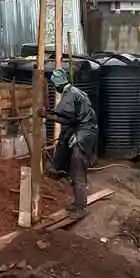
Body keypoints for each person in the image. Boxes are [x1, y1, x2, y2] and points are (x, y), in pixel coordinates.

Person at [39, 68, 98, 219]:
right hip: (85, 132)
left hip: (83, 137)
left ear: (58, 84)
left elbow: (67, 119)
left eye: (54, 85)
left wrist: (48, 115)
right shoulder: (74, 92)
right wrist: (50, 114)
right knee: (73, 168)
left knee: (78, 171)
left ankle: (81, 208)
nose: (55, 88)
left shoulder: (70, 95)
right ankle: (77, 202)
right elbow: (68, 117)